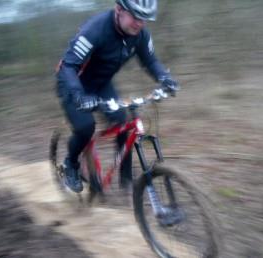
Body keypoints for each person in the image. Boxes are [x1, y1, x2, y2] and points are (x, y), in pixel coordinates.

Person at [56, 0, 178, 193]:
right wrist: (79, 95)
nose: (140, 23)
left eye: (145, 18)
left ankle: (126, 178)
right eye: (136, 16)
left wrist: (165, 78)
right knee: (86, 127)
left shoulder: (140, 35)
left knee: (123, 122)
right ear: (119, 9)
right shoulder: (95, 29)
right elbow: (68, 66)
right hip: (73, 84)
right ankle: (70, 164)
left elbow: (151, 60)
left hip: (101, 84)